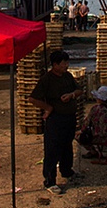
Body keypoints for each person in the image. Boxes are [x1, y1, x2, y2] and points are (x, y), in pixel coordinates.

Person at [28, 50, 84, 195]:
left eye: (67, 62)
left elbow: (79, 90)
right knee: (52, 150)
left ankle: (67, 171)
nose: (67, 65)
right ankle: (50, 181)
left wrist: (71, 95)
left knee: (67, 146)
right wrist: (48, 108)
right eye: (64, 63)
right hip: (55, 119)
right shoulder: (47, 79)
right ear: (55, 65)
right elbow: (33, 98)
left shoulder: (67, 76)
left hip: (69, 117)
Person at [79, 85, 107, 164]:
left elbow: (87, 123)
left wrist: (81, 131)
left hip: (98, 137)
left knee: (78, 136)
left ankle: (93, 152)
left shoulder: (95, 109)